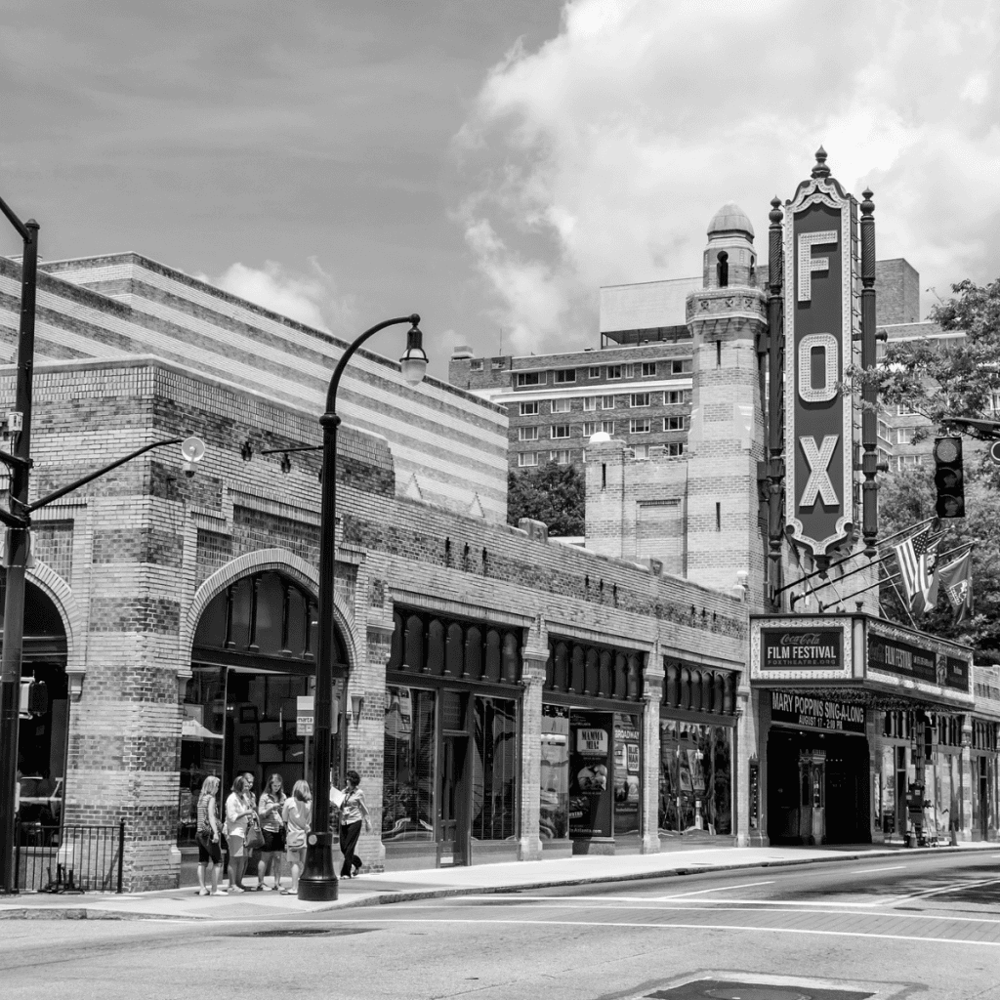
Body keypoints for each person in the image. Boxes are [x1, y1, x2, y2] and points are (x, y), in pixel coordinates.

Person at [336, 769, 372, 879]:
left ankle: (346, 873)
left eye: (349, 779)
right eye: (346, 779)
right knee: (343, 847)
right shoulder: (343, 792)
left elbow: (364, 808)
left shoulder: (359, 793)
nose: (347, 781)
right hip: (344, 821)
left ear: (353, 781)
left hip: (355, 821)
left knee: (349, 847)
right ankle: (357, 862)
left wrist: (368, 822)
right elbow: (340, 805)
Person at [224, 775, 256, 893]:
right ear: (239, 786)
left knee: (242, 858)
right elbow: (231, 817)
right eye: (245, 786)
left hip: (243, 831)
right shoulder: (232, 798)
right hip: (235, 831)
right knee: (234, 858)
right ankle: (232, 884)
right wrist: (245, 813)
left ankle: (238, 882)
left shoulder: (243, 797)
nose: (248, 788)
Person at [281, 779, 312, 895]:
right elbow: (310, 821)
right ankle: (308, 885)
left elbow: (284, 818)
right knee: (305, 862)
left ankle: (294, 888)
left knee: (294, 863)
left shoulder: (289, 802)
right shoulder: (310, 804)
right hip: (305, 835)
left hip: (293, 835)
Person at [256, 773, 286, 891]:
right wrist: (271, 807)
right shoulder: (265, 797)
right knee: (265, 856)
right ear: (270, 785)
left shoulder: (282, 796)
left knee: (278, 857)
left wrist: (283, 808)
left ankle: (277, 883)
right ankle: (261, 882)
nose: (277, 788)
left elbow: (286, 813)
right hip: (267, 828)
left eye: (279, 786)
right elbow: (261, 813)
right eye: (275, 785)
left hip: (279, 828)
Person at [195, 776, 224, 896]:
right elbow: (211, 816)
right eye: (216, 785)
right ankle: (214, 889)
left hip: (199, 832)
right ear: (211, 786)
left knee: (202, 861)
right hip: (208, 834)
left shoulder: (201, 798)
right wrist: (216, 832)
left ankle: (202, 888)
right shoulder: (211, 798)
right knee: (218, 861)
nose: (218, 788)